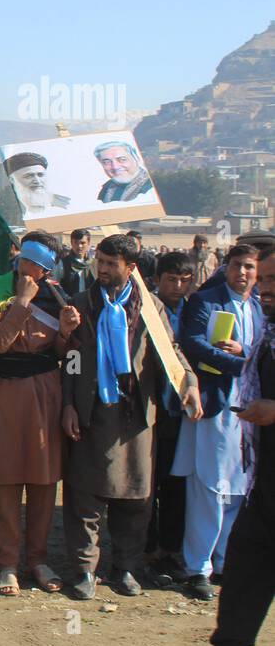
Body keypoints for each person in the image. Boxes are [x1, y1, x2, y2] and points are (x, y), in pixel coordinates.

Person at [61, 233, 201, 600]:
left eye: (111, 265)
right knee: (84, 498)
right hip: (91, 414)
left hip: (136, 416)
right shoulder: (80, 305)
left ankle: (125, 567)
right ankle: (83, 571)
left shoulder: (150, 309)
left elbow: (170, 353)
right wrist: (69, 405)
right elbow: (70, 362)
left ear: (131, 268)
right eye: (100, 262)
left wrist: (189, 381)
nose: (103, 270)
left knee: (135, 497)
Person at [182, 246, 275, 646]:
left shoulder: (262, 314)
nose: (263, 286)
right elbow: (196, 344)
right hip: (254, 448)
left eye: (268, 278)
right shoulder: (256, 320)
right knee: (244, 550)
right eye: (264, 278)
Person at [0, 231, 79, 595]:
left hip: (47, 394)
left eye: (39, 263)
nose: (30, 267)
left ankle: (37, 559)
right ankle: (7, 563)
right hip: (9, 394)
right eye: (27, 259)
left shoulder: (57, 297)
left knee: (43, 481)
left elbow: (64, 353)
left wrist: (65, 333)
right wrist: (20, 302)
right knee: (8, 480)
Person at [171, 243, 263, 601]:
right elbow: (192, 344)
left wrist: (248, 354)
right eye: (238, 266)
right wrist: (244, 362)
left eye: (249, 268)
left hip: (250, 411)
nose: (243, 273)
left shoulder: (258, 307)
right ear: (226, 267)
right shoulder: (206, 301)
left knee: (239, 490)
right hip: (216, 408)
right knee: (209, 488)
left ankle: (224, 561)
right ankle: (198, 568)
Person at [145, 251, 194, 586]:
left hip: (184, 414)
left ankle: (172, 550)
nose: (177, 286)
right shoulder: (147, 310)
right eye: (171, 279)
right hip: (152, 409)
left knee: (177, 485)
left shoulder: (194, 313)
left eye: (183, 280)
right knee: (148, 485)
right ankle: (146, 551)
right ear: (158, 279)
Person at [5, 151, 70, 214]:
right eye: (29, 176)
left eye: (40, 175)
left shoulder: (63, 204)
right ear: (12, 180)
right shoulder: (6, 206)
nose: (37, 181)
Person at [58, 228, 93, 299]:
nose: (79, 246)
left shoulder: (95, 264)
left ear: (88, 243)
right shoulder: (62, 263)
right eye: (76, 242)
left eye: (82, 243)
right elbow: (56, 286)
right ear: (71, 243)